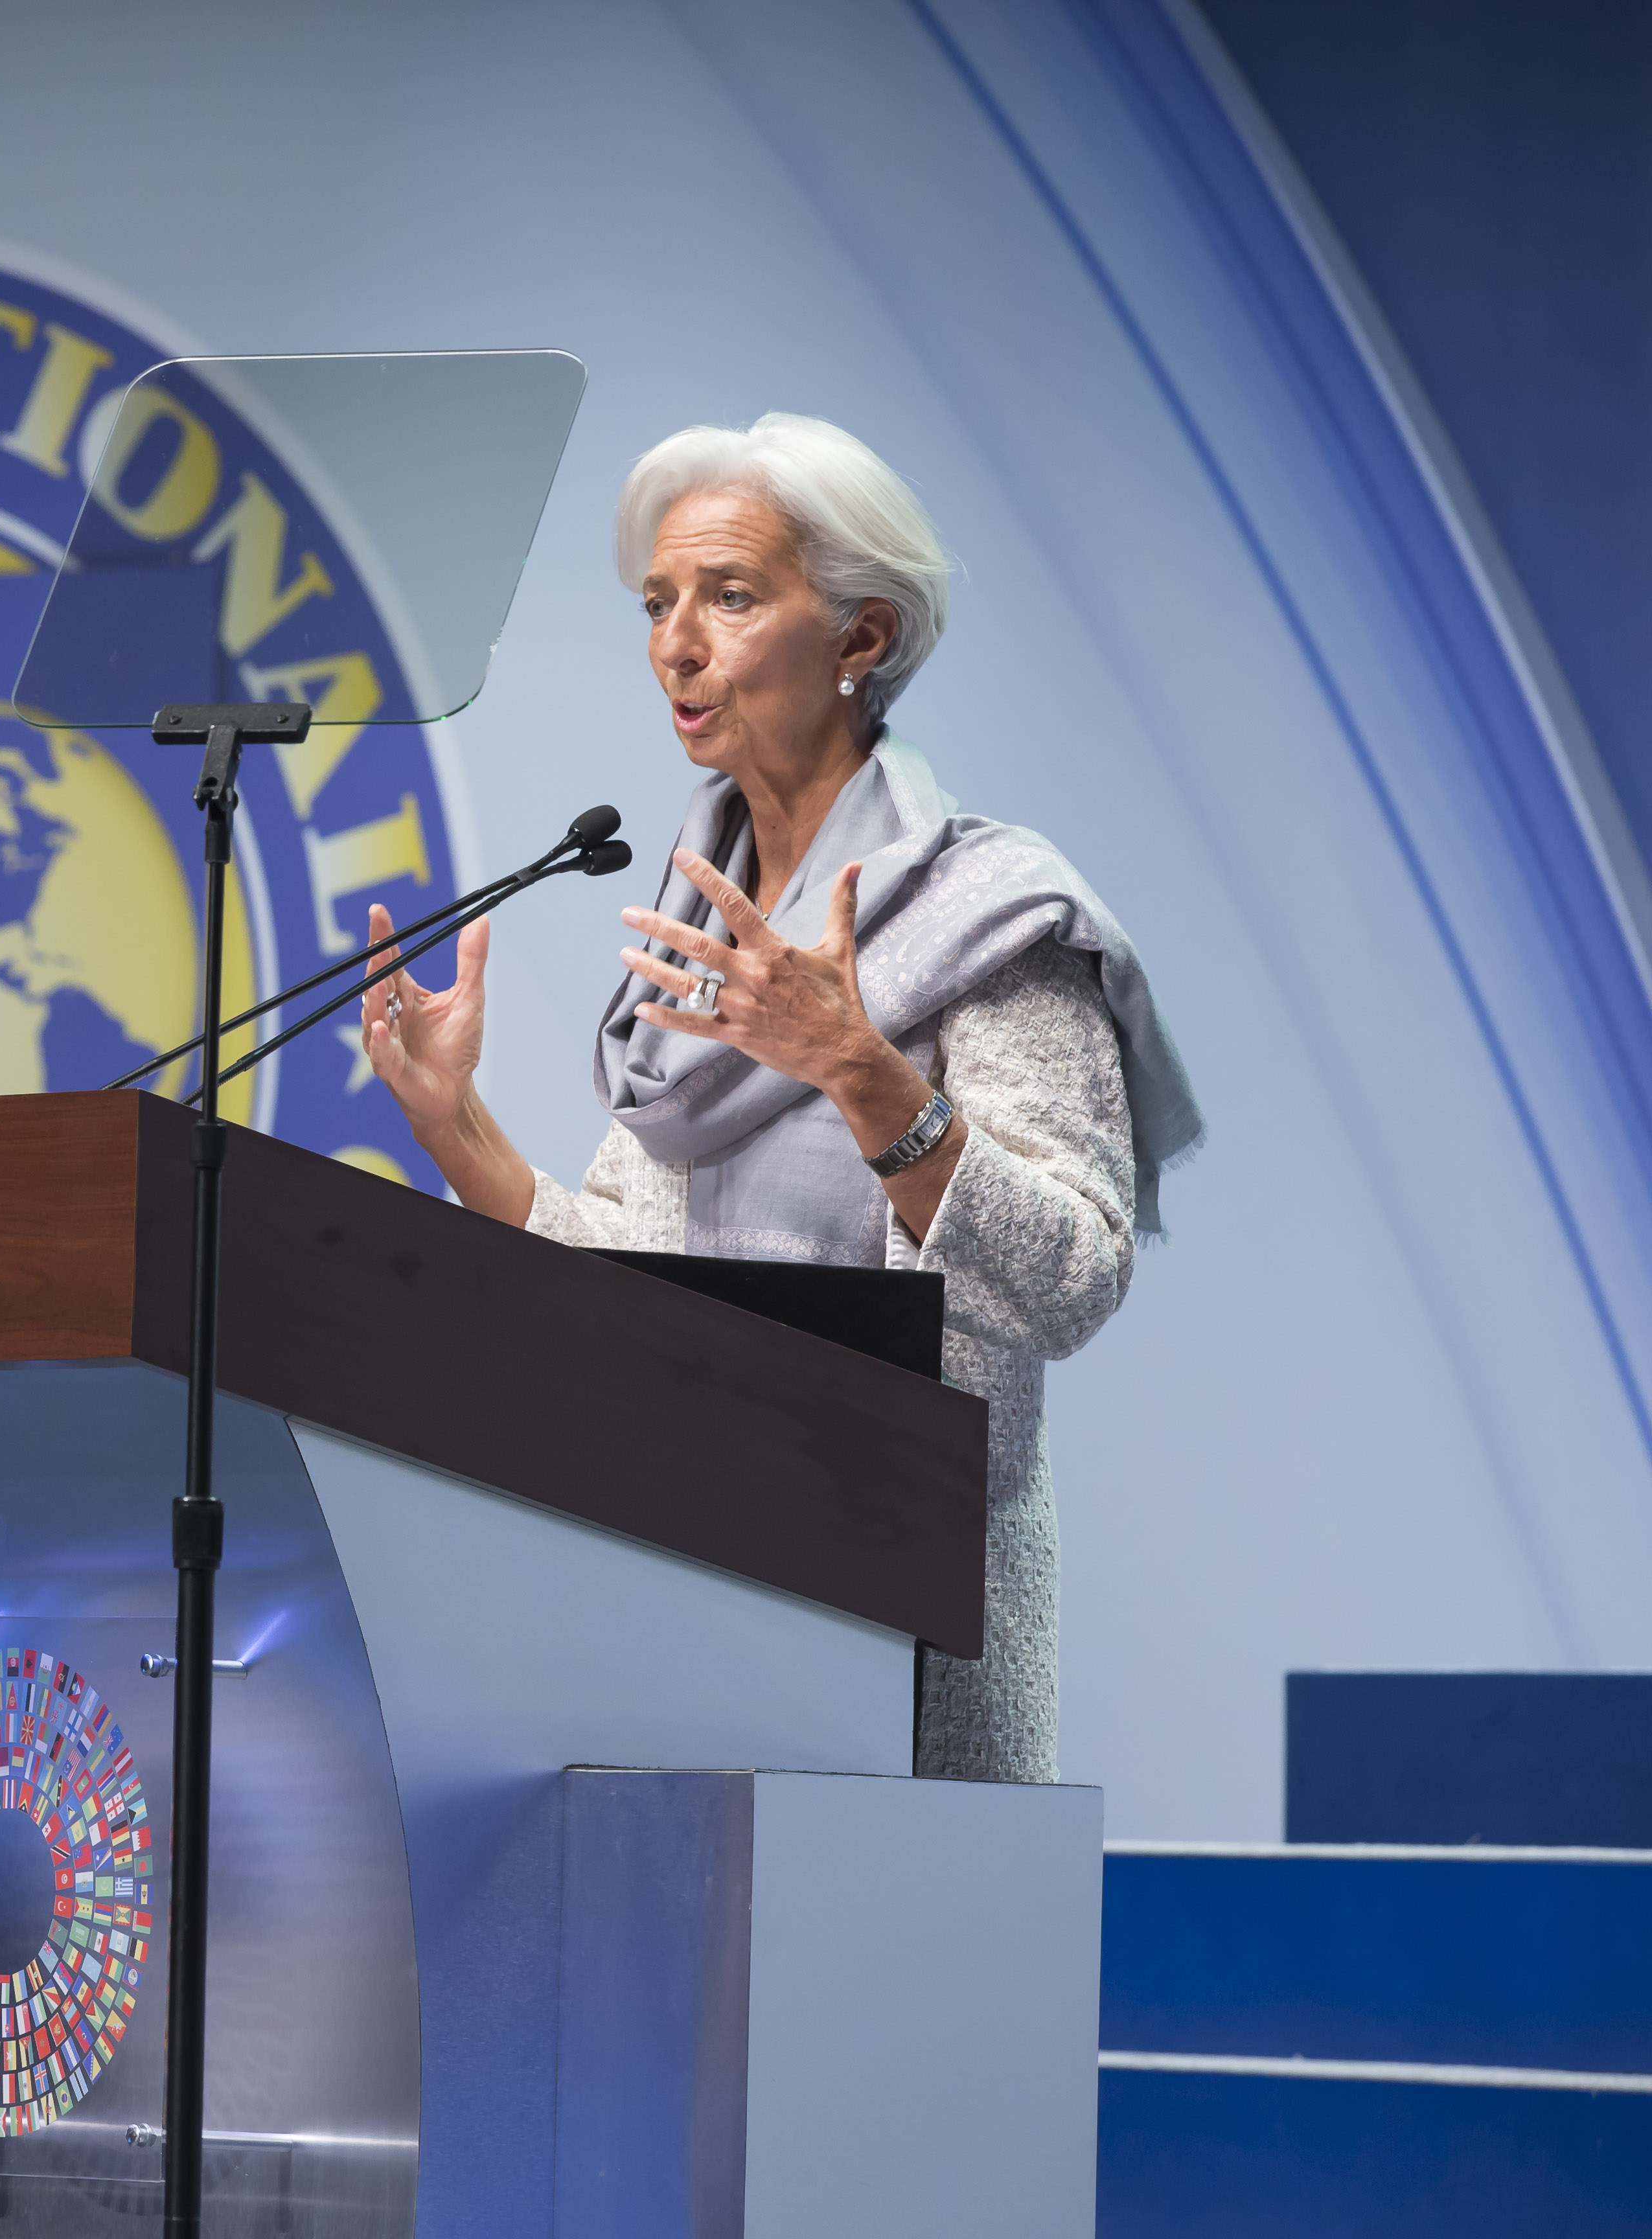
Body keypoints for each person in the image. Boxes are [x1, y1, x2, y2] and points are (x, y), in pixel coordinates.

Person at [358, 413, 1201, 1782]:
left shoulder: (996, 917)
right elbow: (636, 1278)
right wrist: (457, 1128)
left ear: (863, 636)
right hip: (685, 1586)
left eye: (732, 596)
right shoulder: (704, 923)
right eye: (658, 603)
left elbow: (1072, 1278)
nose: (676, 645)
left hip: (910, 1623)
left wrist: (861, 1070)